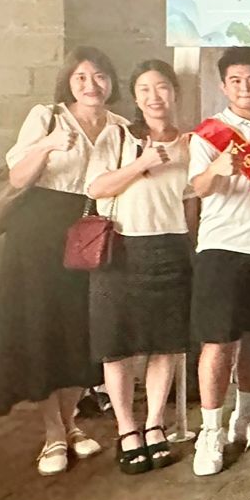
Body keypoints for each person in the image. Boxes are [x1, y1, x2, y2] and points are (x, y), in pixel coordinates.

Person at [0, 46, 129, 475]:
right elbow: (17, 176)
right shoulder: (46, 117)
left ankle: (71, 423)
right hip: (39, 231)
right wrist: (47, 145)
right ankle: (53, 435)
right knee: (44, 328)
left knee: (82, 330)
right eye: (81, 77)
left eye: (99, 76)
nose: (91, 85)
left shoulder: (121, 128)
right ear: (68, 81)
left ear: (111, 81)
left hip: (91, 230)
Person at [86, 60, 193, 475]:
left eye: (162, 87)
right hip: (121, 248)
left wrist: (192, 247)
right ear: (134, 96)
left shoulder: (188, 144)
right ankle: (127, 429)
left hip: (170, 246)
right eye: (145, 89)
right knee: (119, 346)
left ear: (174, 92)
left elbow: (190, 203)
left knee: (165, 343)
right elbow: (97, 188)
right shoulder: (118, 136)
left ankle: (155, 425)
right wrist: (140, 163)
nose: (154, 96)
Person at [188, 48, 250, 477]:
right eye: (236, 80)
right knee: (217, 341)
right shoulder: (208, 134)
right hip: (222, 247)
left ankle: (246, 419)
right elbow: (196, 187)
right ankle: (210, 430)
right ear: (223, 86)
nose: (245, 87)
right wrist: (217, 169)